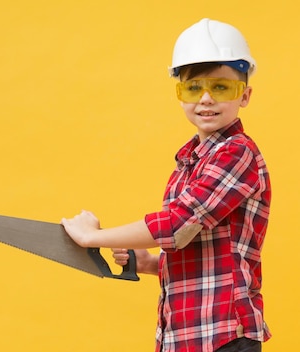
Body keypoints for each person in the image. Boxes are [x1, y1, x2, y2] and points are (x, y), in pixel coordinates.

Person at [61, 18, 271, 352]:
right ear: (179, 94)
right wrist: (150, 264)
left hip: (222, 337)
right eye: (193, 88)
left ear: (244, 95)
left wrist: (92, 237)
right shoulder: (190, 161)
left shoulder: (237, 152)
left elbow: (176, 223)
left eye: (221, 87)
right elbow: (201, 248)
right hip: (184, 335)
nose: (205, 99)